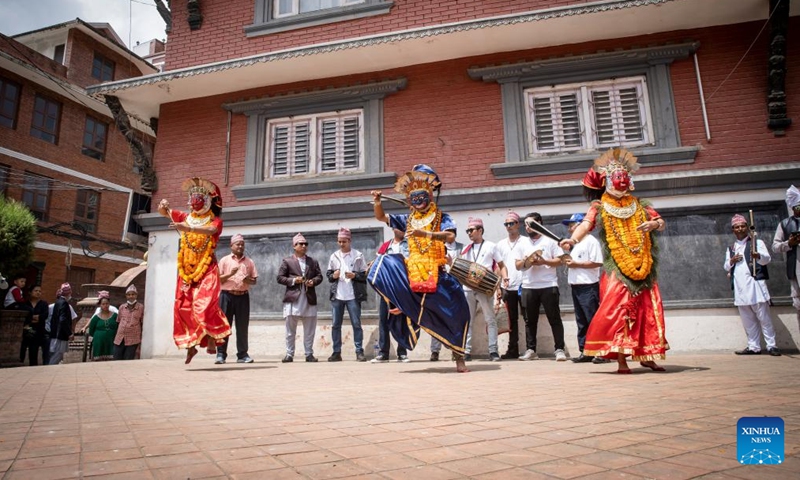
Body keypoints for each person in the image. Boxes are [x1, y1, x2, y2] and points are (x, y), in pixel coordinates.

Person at [560, 148, 669, 374]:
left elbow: (660, 221)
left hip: (644, 263)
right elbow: (586, 225)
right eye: (616, 177)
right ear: (608, 180)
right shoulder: (599, 206)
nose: (621, 180)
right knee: (621, 310)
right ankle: (621, 359)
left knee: (648, 310)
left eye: (623, 176)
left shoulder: (639, 204)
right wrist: (571, 240)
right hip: (619, 268)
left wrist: (654, 224)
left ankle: (647, 355)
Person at [368, 164, 471, 373]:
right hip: (412, 272)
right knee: (385, 263)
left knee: (458, 310)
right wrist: (377, 201)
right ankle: (401, 304)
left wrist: (426, 235)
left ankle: (458, 355)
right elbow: (381, 217)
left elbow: (450, 236)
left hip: (437, 272)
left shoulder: (442, 217)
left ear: (429, 196)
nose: (417, 201)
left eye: (421, 196)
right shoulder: (408, 219)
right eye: (413, 197)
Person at [157, 177, 231, 364]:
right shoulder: (185, 217)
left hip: (207, 269)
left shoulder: (215, 221)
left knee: (204, 304)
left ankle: (214, 337)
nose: (196, 200)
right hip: (187, 271)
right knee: (183, 306)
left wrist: (187, 228)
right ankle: (190, 346)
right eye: (194, 197)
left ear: (209, 201)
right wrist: (163, 205)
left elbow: (209, 232)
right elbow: (163, 212)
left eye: (200, 197)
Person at [516, 212, 568, 361]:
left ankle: (559, 349)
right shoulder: (522, 242)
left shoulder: (550, 241)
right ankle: (531, 350)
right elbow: (517, 265)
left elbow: (559, 260)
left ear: (539, 224)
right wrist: (526, 261)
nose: (527, 227)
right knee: (529, 321)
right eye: (526, 225)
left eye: (531, 224)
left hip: (548, 285)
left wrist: (544, 262)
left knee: (554, 318)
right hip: (528, 286)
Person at [726, 214, 780, 356]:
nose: (740, 229)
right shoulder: (731, 247)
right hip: (740, 288)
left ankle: (771, 345)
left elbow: (766, 259)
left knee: (764, 318)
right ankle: (753, 346)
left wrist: (758, 256)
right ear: (733, 230)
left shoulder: (757, 242)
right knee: (748, 320)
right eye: (737, 227)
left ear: (746, 228)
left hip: (755, 286)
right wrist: (731, 260)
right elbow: (726, 266)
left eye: (742, 226)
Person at [462, 217, 509, 361]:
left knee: (490, 319)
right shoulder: (466, 248)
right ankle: (466, 351)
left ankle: (493, 351)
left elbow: (501, 265)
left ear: (480, 230)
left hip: (484, 287)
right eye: (467, 230)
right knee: (467, 320)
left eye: (471, 230)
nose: (469, 233)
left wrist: (504, 278)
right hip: (468, 288)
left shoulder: (491, 246)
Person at [561, 213, 604, 364]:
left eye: (572, 224)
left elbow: (597, 262)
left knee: (593, 319)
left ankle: (601, 352)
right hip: (576, 286)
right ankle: (585, 351)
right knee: (582, 321)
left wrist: (576, 264)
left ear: (582, 225)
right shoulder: (575, 244)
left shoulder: (591, 241)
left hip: (588, 286)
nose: (570, 228)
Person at [277, 233, 323, 363]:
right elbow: (279, 278)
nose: (303, 246)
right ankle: (289, 354)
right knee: (290, 330)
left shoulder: (313, 261)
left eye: (305, 244)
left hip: (309, 298)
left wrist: (312, 282)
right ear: (294, 246)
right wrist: (294, 280)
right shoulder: (287, 261)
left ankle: (309, 354)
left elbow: (320, 277)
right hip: (293, 299)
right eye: (300, 244)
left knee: (309, 330)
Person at [327, 228, 369, 362]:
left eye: (344, 241)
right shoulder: (334, 256)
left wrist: (354, 275)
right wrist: (334, 275)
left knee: (356, 324)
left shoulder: (358, 255)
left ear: (349, 241)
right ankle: (336, 352)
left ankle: (359, 351)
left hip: (353, 296)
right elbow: (328, 275)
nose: (341, 244)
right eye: (339, 241)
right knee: (335, 325)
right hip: (337, 295)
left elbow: (365, 274)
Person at [217, 234, 258, 364]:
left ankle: (242, 355)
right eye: (237, 244)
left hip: (242, 297)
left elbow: (254, 281)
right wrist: (231, 274)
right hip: (226, 296)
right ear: (231, 246)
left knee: (242, 326)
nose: (240, 246)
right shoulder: (224, 260)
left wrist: (246, 279)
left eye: (242, 244)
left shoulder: (249, 262)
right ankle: (221, 354)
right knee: (224, 326)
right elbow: (218, 279)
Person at [372, 228, 411, 363]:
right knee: (383, 320)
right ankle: (383, 353)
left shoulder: (409, 246)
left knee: (401, 320)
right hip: (386, 289)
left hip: (401, 289)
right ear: (394, 229)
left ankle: (402, 352)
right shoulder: (385, 246)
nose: (401, 230)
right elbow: (378, 265)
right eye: (398, 227)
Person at [495, 211, 528, 360]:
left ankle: (530, 349)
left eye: (511, 223)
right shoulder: (501, 244)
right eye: (506, 224)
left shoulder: (526, 242)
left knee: (528, 318)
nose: (509, 226)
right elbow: (498, 266)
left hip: (525, 285)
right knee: (511, 320)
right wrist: (498, 287)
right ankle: (512, 350)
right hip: (508, 286)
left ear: (518, 224)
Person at [430, 226, 463, 361]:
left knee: (455, 319)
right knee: (436, 318)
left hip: (456, 286)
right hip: (440, 286)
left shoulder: (462, 248)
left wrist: (451, 262)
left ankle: (456, 350)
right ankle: (435, 351)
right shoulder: (436, 246)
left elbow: (465, 266)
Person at [772, 185, 800, 312]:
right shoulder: (784, 224)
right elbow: (775, 247)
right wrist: (789, 243)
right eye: (798, 207)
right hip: (796, 270)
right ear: (793, 208)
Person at [49, 283, 78, 365]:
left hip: (55, 333)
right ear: (69, 293)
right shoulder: (64, 303)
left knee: (56, 355)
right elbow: (63, 319)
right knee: (58, 355)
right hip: (60, 334)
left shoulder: (58, 302)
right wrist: (69, 333)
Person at [114, 284, 144, 360]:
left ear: (136, 295)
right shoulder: (122, 307)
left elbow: (142, 322)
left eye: (133, 294)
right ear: (126, 296)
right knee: (117, 358)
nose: (131, 296)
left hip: (133, 338)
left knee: (128, 359)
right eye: (129, 295)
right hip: (120, 338)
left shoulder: (141, 308)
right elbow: (118, 320)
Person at [20, 285, 48, 366]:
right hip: (26, 330)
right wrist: (31, 318)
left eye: (39, 291)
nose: (38, 293)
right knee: (22, 349)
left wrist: (38, 317)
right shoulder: (25, 304)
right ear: (30, 292)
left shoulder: (43, 304)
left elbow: (45, 315)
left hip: (38, 330)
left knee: (34, 351)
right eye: (36, 291)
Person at [87, 291, 118, 361]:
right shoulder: (96, 318)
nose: (105, 305)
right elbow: (91, 331)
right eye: (103, 304)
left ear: (109, 304)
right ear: (100, 305)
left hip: (111, 341)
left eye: (107, 303)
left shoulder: (115, 316)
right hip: (99, 342)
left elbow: (118, 327)